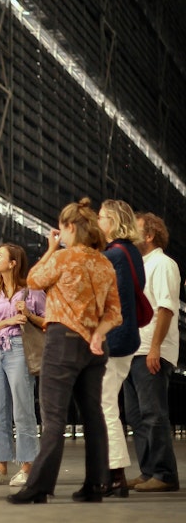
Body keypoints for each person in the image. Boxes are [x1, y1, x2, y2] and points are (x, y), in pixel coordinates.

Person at [8, 198, 122, 505]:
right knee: (94, 416)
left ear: (69, 227)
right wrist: (97, 335)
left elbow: (32, 280)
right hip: (95, 348)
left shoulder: (64, 258)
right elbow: (114, 313)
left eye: (61, 228)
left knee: (54, 417)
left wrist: (50, 248)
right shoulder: (104, 263)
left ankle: (38, 486)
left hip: (62, 341)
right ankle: (95, 485)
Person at [123, 212, 180, 492]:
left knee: (153, 413)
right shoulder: (140, 266)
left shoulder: (163, 264)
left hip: (151, 350)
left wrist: (155, 347)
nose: (130, 234)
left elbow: (166, 308)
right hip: (135, 350)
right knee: (136, 415)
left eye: (136, 230)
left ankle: (165, 474)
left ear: (150, 235)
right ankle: (148, 471)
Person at [0, 243, 45, 487]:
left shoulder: (31, 291)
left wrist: (27, 313)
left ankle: (28, 466)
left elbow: (48, 321)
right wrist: (9, 319)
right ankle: (1, 466)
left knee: (22, 409)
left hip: (19, 347)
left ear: (13, 263)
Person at [97, 200, 145, 498]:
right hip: (128, 337)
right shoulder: (132, 253)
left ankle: (115, 476)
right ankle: (113, 474)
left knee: (104, 406)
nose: (96, 221)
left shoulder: (114, 254)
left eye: (100, 217)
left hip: (114, 339)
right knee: (108, 404)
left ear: (113, 221)